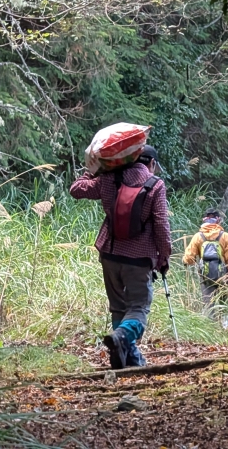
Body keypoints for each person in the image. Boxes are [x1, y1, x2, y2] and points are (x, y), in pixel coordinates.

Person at [69, 145, 171, 369]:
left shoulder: (109, 179)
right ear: (151, 164)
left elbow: (76, 190)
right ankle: (123, 337)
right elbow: (161, 225)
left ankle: (127, 358)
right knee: (138, 308)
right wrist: (164, 256)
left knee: (118, 308)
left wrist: (93, 169)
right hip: (139, 258)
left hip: (110, 254)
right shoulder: (155, 185)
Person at [182, 208, 228, 318]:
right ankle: (224, 329)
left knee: (209, 309)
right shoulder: (225, 236)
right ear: (218, 220)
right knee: (225, 308)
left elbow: (187, 259)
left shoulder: (198, 237)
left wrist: (198, 262)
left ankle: (212, 329)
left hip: (206, 277)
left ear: (204, 220)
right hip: (224, 277)